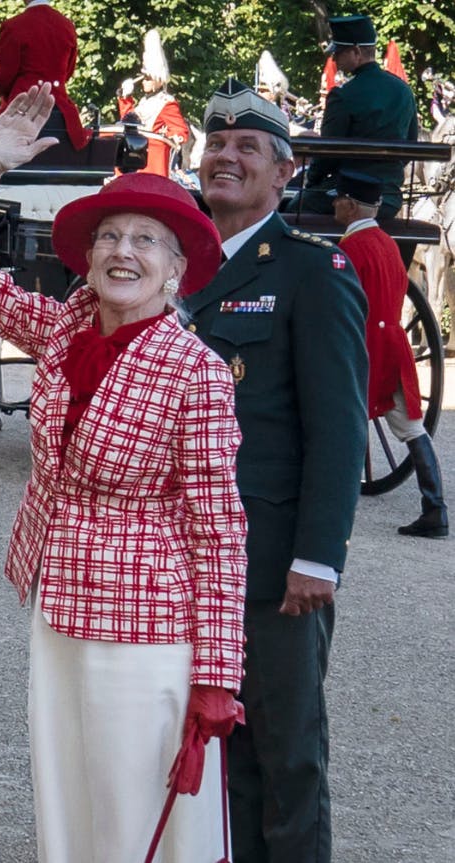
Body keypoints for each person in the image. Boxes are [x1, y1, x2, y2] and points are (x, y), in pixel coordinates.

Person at [0, 83, 247, 863]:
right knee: (65, 794)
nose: (123, 252)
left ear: (177, 272)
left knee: (132, 810)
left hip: (146, 631)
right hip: (57, 605)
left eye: (146, 240)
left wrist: (217, 677)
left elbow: (220, 531)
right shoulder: (69, 323)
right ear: (88, 255)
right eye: (111, 235)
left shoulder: (196, 371)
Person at [184, 77, 369, 863]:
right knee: (216, 760)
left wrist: (318, 557)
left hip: (272, 571)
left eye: (247, 148)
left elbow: (338, 432)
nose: (226, 157)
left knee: (287, 757)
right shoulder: (172, 265)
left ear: (284, 172)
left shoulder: (309, 273)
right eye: (216, 144)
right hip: (184, 567)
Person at [332, 169, 449, 538]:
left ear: (350, 206)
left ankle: (332, 503)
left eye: (338, 199)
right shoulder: (387, 245)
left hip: (363, 350)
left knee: (341, 422)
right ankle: (436, 507)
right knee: (412, 428)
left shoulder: (349, 250)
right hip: (393, 344)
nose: (334, 203)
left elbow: (339, 308)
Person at [287, 13, 418, 218]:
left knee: (294, 208)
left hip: (349, 195)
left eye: (339, 51)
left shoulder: (343, 95)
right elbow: (411, 144)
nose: (335, 58)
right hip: (390, 199)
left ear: (356, 51)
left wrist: (311, 183)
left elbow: (326, 156)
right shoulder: (404, 91)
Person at [0, 0, 90, 151]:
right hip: (58, 105)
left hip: (22, 105)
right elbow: (68, 71)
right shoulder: (67, 25)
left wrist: (1, 91)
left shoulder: (14, 25)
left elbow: (4, 78)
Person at [117, 29, 189, 176]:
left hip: (151, 164)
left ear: (158, 79)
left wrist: (168, 139)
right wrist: (125, 97)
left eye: (148, 78)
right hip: (133, 157)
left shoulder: (166, 103)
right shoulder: (144, 102)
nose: (144, 82)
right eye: (143, 78)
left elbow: (180, 132)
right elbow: (129, 122)